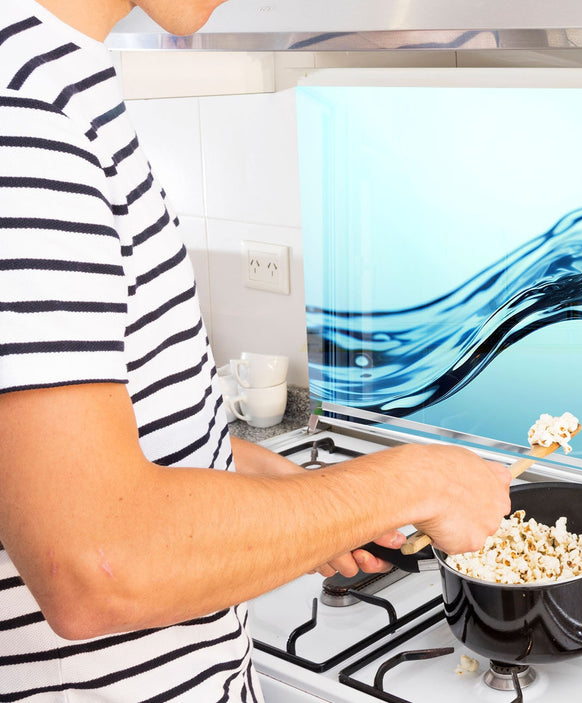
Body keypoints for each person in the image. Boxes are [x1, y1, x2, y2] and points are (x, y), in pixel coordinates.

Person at [0, 0, 513, 699]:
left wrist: (290, 496)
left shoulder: (55, 78)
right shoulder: (24, 116)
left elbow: (71, 455)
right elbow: (97, 564)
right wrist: (416, 479)